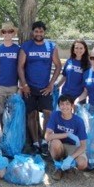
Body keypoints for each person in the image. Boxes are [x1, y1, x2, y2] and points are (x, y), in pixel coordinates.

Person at [18, 21, 62, 156]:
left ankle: (44, 141)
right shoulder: (26, 46)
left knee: (48, 114)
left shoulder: (51, 47)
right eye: (36, 31)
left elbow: (58, 66)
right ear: (32, 32)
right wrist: (24, 84)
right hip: (29, 88)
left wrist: (51, 84)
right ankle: (36, 143)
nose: (38, 34)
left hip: (45, 88)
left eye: (41, 31)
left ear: (44, 32)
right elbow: (20, 66)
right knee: (31, 115)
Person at [45, 95, 88, 180]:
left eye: (67, 104)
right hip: (59, 144)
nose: (64, 107)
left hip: (72, 146)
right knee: (55, 143)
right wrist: (67, 134)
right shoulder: (55, 115)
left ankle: (69, 166)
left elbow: (83, 145)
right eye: (62, 104)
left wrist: (71, 158)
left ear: (72, 106)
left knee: (82, 164)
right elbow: (47, 137)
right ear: (59, 106)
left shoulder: (79, 121)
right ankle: (58, 168)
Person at [0, 22, 20, 121]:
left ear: (13, 33)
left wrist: (20, 87)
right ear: (2, 34)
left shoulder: (18, 49)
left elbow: (21, 68)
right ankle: (4, 133)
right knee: (1, 112)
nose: (7, 33)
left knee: (13, 112)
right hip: (0, 86)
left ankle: (11, 135)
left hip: (13, 86)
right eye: (4, 31)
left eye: (10, 31)